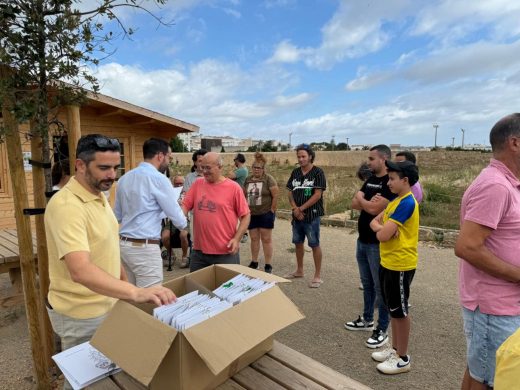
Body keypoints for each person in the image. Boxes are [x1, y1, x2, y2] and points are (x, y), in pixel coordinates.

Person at [44, 134, 175, 389]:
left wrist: (124, 296)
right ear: (80, 165)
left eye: (116, 167)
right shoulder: (67, 206)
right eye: (103, 168)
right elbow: (80, 270)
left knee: (108, 376)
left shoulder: (98, 194)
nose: (112, 175)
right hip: (82, 314)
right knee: (86, 382)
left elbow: (109, 252)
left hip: (106, 304)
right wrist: (136, 292)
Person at [454, 114, 520, 390]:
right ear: (515, 143)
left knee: (479, 369)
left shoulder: (508, 183)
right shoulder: (495, 185)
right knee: (492, 379)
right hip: (494, 307)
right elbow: (467, 246)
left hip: (501, 305)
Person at [114, 138, 187, 287]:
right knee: (151, 298)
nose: (169, 161)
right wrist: (182, 217)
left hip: (124, 245)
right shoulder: (159, 179)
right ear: (160, 156)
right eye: (169, 157)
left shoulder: (124, 178)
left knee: (130, 296)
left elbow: (118, 215)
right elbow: (178, 219)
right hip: (145, 248)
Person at [369, 160, 419, 374]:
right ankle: (395, 349)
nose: (388, 182)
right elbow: (374, 223)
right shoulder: (394, 202)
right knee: (392, 309)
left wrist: (383, 230)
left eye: (392, 179)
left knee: (400, 311)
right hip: (387, 261)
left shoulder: (407, 203)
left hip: (400, 264)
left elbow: (380, 234)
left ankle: (403, 357)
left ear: (405, 180)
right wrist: (384, 229)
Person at [345, 144, 395, 349]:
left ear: (383, 159)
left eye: (372, 159)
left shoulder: (389, 182)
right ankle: (367, 319)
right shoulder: (371, 180)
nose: (368, 162)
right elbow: (353, 204)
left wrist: (362, 199)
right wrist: (365, 201)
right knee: (367, 284)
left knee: (380, 287)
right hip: (362, 240)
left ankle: (382, 329)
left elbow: (374, 208)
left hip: (377, 244)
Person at [182, 152, 250, 272]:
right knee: (196, 289)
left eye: (208, 168)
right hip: (199, 253)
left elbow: (245, 216)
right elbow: (185, 205)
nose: (204, 171)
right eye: (202, 168)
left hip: (226, 252)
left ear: (220, 167)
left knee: (227, 290)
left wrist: (237, 239)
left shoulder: (233, 188)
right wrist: (180, 217)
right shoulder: (197, 184)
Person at [285, 144, 326, 288]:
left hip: (312, 216)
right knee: (298, 243)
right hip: (297, 215)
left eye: (303, 156)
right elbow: (290, 192)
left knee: (314, 244)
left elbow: (317, 195)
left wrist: (301, 208)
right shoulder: (295, 172)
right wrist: (295, 208)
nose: (301, 159)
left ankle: (317, 276)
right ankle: (299, 270)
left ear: (310, 156)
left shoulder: (318, 173)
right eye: (299, 157)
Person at [244, 152, 279, 274]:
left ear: (263, 169)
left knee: (266, 239)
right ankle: (254, 262)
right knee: (254, 238)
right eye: (254, 167)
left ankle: (268, 264)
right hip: (252, 214)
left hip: (265, 213)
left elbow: (275, 195)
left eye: (259, 168)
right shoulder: (248, 179)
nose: (256, 170)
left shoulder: (268, 179)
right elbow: (244, 195)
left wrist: (272, 210)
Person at [180, 149, 207, 268]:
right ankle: (191, 260)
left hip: (208, 213)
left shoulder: (210, 176)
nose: (202, 163)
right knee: (194, 240)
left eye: (204, 160)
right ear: (195, 162)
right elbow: (186, 196)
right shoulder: (190, 177)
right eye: (200, 160)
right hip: (193, 214)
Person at [161, 175, 190, 267]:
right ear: (173, 184)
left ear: (184, 184)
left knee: (183, 235)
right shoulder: (170, 194)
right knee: (164, 237)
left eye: (181, 183)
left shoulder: (189, 193)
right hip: (172, 220)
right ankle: (171, 255)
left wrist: (184, 204)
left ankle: (184, 256)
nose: (178, 185)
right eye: (176, 183)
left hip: (186, 219)